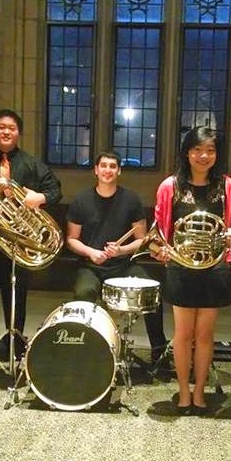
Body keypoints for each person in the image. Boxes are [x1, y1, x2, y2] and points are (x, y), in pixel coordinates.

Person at [151, 126, 231, 415]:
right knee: (182, 334)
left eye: (210, 150)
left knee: (205, 335)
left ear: (217, 154)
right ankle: (182, 391)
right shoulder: (170, 186)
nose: (204, 156)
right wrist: (161, 249)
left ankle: (200, 391)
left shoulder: (228, 186)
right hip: (181, 266)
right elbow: (158, 232)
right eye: (197, 150)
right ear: (187, 152)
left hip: (213, 267)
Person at [0, 108, 62, 360]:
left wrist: (40, 197)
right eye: (1, 127)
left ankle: (15, 338)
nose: (7, 131)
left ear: (19, 133)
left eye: (12, 128)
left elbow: (54, 189)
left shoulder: (31, 163)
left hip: (17, 242)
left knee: (15, 291)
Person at [65, 151, 168, 365]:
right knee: (84, 292)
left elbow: (142, 240)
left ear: (119, 171)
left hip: (124, 265)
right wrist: (92, 253)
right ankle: (82, 346)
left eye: (112, 166)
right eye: (103, 166)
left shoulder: (130, 200)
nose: (108, 170)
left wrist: (120, 251)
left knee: (152, 293)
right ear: (96, 170)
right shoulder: (82, 200)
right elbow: (71, 240)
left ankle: (159, 350)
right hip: (91, 266)